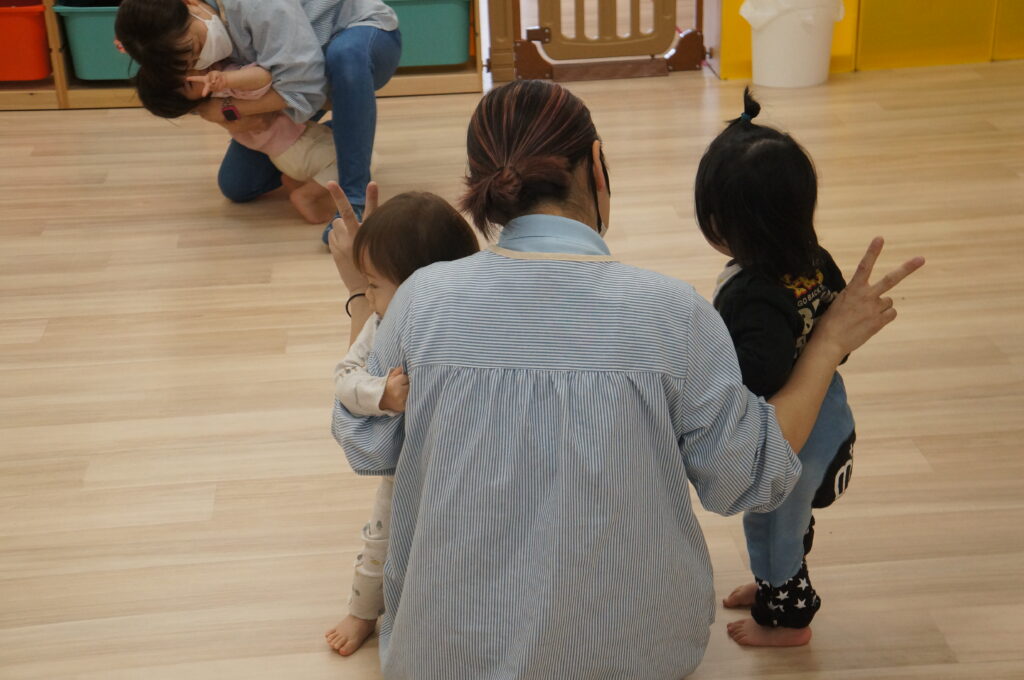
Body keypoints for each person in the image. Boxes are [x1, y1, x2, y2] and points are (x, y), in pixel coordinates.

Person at [328, 80, 924, 678]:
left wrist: (362, 296)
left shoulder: (422, 299)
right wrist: (828, 344)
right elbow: (747, 477)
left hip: (441, 659)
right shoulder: (672, 313)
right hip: (636, 656)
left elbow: (367, 444)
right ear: (596, 166)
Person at [697, 89, 857, 647]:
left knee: (771, 528)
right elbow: (838, 333)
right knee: (790, 520)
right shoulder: (814, 257)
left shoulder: (754, 295)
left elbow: (754, 378)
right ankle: (774, 583)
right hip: (829, 411)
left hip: (793, 436)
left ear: (724, 225)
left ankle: (787, 620)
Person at [322, 188, 480, 656]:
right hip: (406, 467)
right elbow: (344, 377)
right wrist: (382, 395)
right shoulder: (378, 325)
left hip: (466, 462)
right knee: (381, 540)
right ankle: (362, 611)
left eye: (373, 285)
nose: (367, 295)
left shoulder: (468, 316)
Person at [115, 0, 401, 240]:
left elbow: (306, 87)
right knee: (237, 185)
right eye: (190, 63)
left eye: (196, 46)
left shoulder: (257, 5)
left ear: (191, 4)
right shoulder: (162, 44)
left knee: (345, 57)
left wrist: (230, 109)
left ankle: (354, 201)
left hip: (358, 35)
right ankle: (351, 134)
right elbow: (187, 98)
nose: (201, 60)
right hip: (295, 75)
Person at [134, 61, 339, 224]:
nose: (194, 73)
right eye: (189, 83)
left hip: (284, 151)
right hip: (295, 143)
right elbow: (264, 84)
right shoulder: (223, 91)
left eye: (183, 67)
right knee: (341, 161)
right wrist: (229, 79)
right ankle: (307, 195)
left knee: (324, 145)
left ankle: (295, 181)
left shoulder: (213, 101)